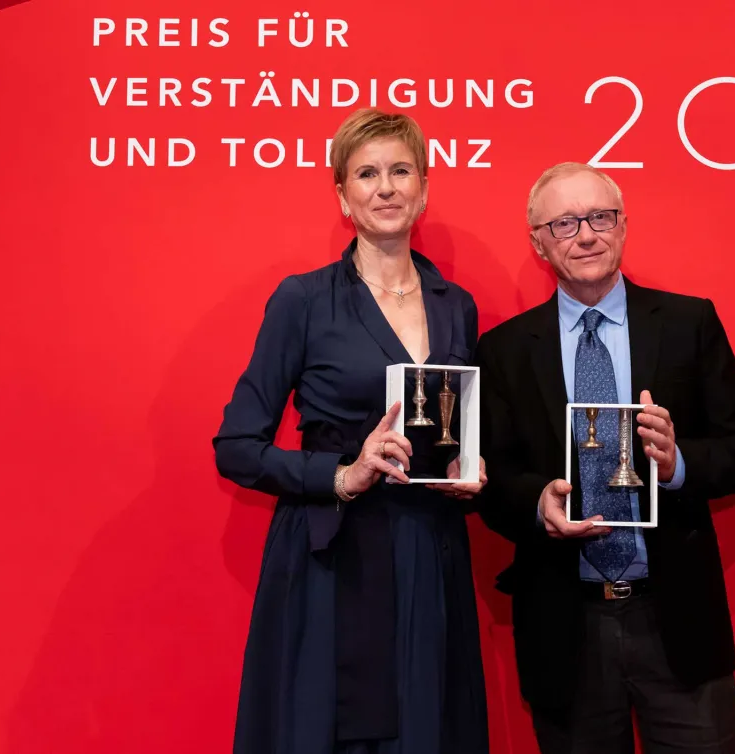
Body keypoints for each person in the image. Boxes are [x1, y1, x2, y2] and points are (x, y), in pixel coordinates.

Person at [475, 162, 735, 754]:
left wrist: (676, 463)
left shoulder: (688, 323)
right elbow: (491, 477)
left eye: (600, 217)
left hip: (677, 620)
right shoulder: (505, 349)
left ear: (623, 226)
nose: (586, 235)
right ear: (538, 242)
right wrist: (537, 502)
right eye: (564, 224)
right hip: (566, 628)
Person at [213, 108, 490, 754]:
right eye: (366, 174)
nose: (385, 187)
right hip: (335, 556)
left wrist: (471, 469)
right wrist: (341, 475)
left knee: (430, 726)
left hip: (431, 550)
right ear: (342, 195)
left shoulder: (457, 305)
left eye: (401, 171)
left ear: (424, 187)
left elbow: (460, 426)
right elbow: (236, 446)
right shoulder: (303, 300)